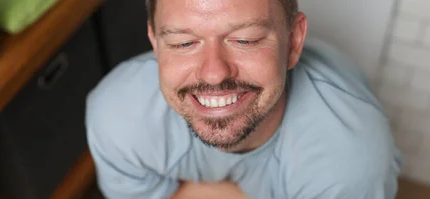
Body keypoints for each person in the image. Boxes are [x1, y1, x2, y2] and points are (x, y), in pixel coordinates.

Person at [86, 0, 402, 198]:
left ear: (293, 41)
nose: (213, 73)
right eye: (184, 43)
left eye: (244, 40)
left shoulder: (350, 163)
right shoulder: (118, 115)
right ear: (155, 43)